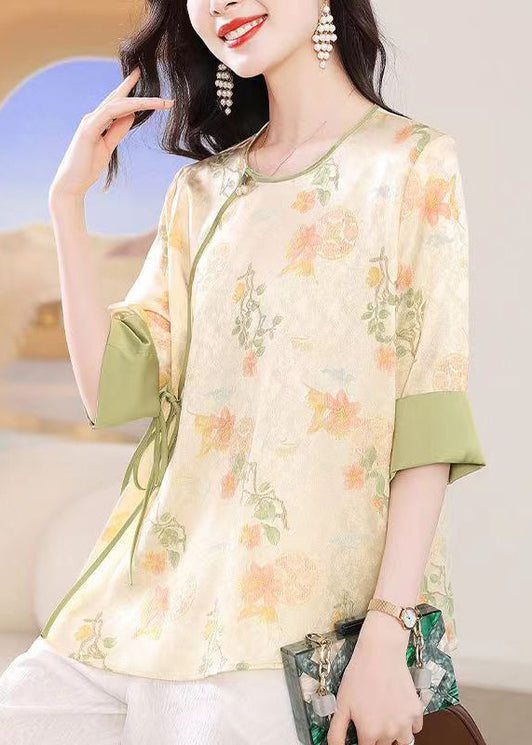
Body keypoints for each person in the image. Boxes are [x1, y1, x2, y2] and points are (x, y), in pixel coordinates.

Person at [0, 1, 486, 744]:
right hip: (142, 604)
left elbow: (428, 415)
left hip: (290, 632)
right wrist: (67, 204)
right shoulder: (201, 192)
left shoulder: (410, 163)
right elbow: (110, 389)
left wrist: (387, 633)